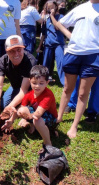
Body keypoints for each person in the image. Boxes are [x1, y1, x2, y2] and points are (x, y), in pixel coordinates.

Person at [50, 0, 99, 138]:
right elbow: (60, 23)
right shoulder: (81, 8)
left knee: (83, 93)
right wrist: (72, 37)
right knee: (67, 88)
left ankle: (74, 126)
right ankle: (59, 117)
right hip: (73, 53)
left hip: (93, 55)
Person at [0, 35, 37, 119]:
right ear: (6, 52)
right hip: (15, 87)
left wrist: (11, 106)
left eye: (19, 50)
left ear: (23, 49)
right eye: (12, 51)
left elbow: (24, 90)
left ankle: (28, 109)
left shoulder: (30, 61)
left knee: (18, 107)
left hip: (30, 89)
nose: (16, 54)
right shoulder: (2, 62)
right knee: (3, 106)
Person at [2, 65, 58, 146]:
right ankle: (33, 126)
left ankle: (48, 143)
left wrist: (27, 118)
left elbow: (38, 113)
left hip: (50, 118)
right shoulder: (29, 94)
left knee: (37, 120)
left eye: (41, 83)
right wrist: (11, 121)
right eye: (34, 83)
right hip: (36, 114)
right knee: (21, 110)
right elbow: (20, 109)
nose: (37, 86)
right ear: (30, 81)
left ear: (47, 82)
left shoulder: (47, 95)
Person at [36, 0, 65, 83]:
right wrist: (40, 46)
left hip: (58, 44)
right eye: (48, 8)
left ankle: (64, 82)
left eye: (52, 7)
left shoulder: (61, 17)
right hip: (48, 44)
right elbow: (44, 34)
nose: (50, 9)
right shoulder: (46, 20)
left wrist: (52, 16)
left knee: (60, 63)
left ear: (56, 7)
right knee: (45, 63)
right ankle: (43, 80)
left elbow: (57, 27)